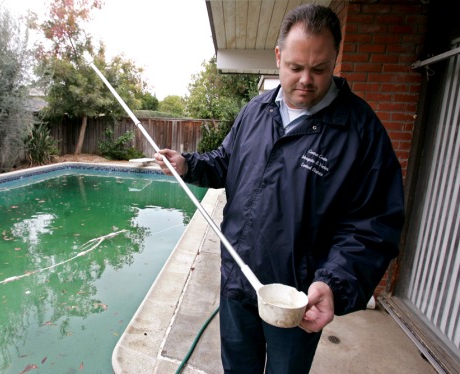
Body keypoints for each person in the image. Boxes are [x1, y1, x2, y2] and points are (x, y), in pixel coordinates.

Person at [155, 4, 404, 374]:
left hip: (297, 299)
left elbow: (373, 226)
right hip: (238, 282)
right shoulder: (255, 112)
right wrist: (189, 164)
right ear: (278, 57)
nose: (306, 79)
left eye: (319, 69)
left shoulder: (360, 133)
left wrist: (333, 284)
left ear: (335, 60)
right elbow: (226, 161)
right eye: (295, 67)